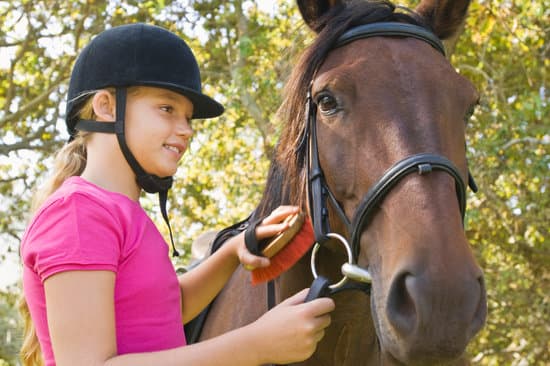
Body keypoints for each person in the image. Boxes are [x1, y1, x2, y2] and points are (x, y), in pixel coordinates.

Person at [19, 23, 335, 366]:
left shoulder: (126, 215)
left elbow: (172, 308)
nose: (186, 130)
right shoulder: (78, 214)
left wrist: (232, 251)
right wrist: (257, 345)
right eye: (167, 109)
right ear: (106, 107)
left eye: (188, 118)